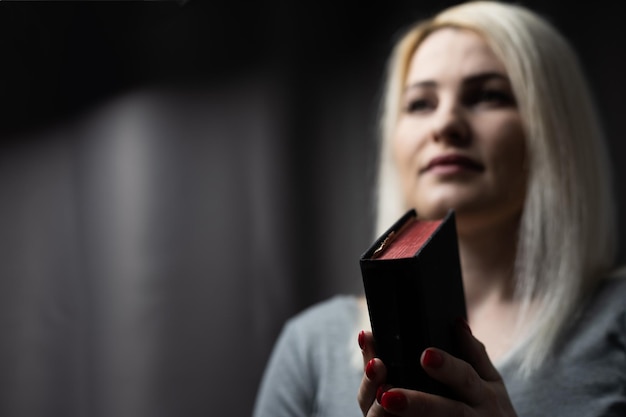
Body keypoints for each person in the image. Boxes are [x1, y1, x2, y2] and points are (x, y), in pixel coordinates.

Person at [252, 1, 626, 416]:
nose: (445, 124)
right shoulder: (310, 346)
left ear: (556, 128)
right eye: (420, 104)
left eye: (488, 95)